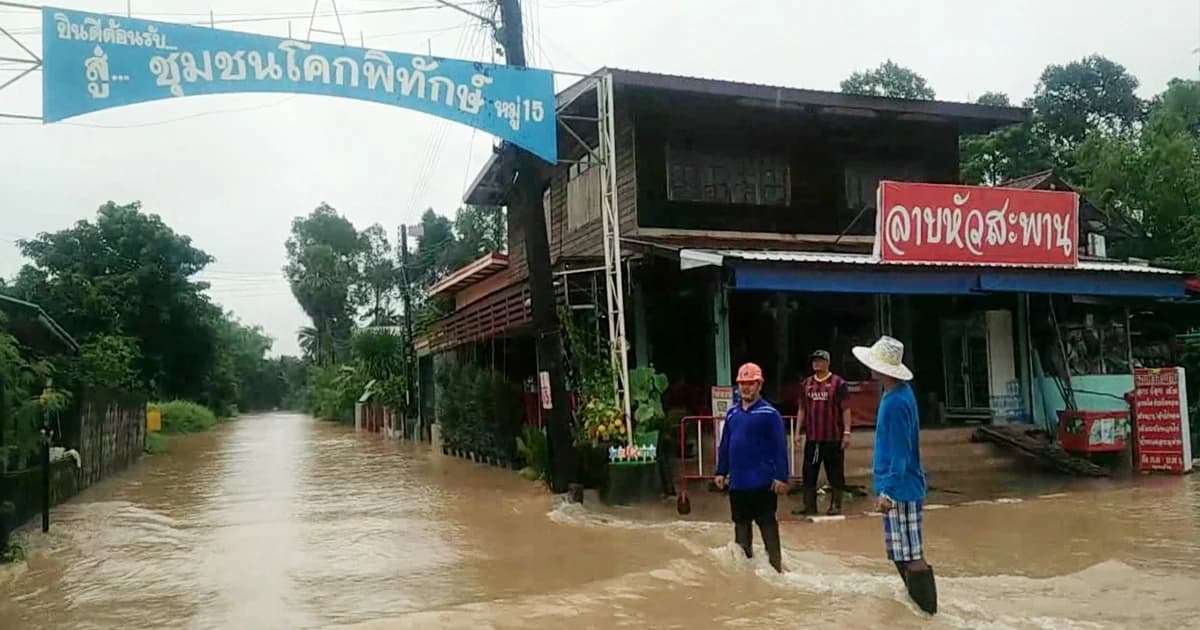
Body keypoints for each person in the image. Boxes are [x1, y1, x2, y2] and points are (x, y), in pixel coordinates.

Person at [852, 335, 937, 615]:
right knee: (900, 553)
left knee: (911, 554)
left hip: (901, 488)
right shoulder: (898, 394)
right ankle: (919, 607)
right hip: (898, 484)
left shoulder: (896, 402)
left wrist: (888, 491)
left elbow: (900, 452)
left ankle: (927, 611)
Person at [714, 362, 789, 573]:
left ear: (759, 385)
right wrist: (721, 471)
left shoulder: (770, 413)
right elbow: (725, 444)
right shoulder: (732, 414)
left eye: (750, 383)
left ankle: (776, 570)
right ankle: (745, 573)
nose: (745, 388)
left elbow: (780, 446)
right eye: (742, 384)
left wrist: (782, 476)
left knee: (768, 526)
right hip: (738, 483)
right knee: (741, 530)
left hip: (763, 482)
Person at [793, 349, 852, 516]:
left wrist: (847, 432)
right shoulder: (806, 384)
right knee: (809, 472)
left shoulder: (838, 383)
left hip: (833, 437)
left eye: (819, 360)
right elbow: (802, 409)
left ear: (827, 363)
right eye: (814, 360)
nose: (816, 363)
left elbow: (846, 409)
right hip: (813, 438)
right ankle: (809, 505)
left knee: (835, 473)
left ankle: (836, 505)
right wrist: (797, 432)